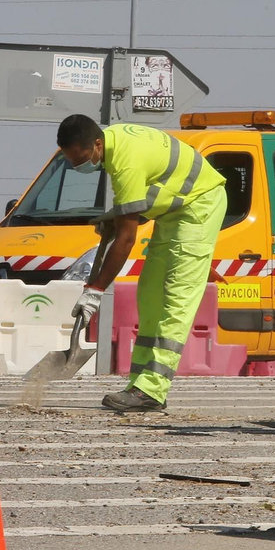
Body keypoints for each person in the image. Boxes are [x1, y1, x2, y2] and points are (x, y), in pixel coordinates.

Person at [58, 115, 226, 413]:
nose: (78, 166)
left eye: (81, 160)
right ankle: (139, 384)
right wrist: (115, 217)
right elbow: (148, 194)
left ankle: (152, 389)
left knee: (176, 300)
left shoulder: (125, 162)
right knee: (150, 295)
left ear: (97, 144)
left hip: (199, 207)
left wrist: (95, 290)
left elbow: (126, 239)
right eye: (72, 162)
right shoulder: (113, 145)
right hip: (173, 211)